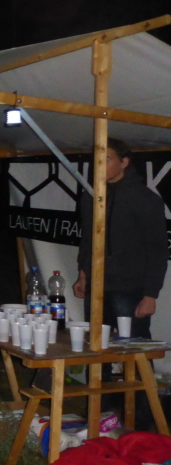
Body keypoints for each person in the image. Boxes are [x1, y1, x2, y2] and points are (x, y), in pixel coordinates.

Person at [73, 137, 168, 430]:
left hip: (129, 288)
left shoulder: (145, 199)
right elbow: (87, 239)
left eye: (107, 159)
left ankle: (143, 422)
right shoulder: (90, 195)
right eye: (97, 159)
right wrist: (83, 274)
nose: (99, 165)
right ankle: (98, 416)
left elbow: (158, 249)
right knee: (96, 351)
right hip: (98, 287)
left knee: (135, 355)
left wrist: (150, 294)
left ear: (124, 162)